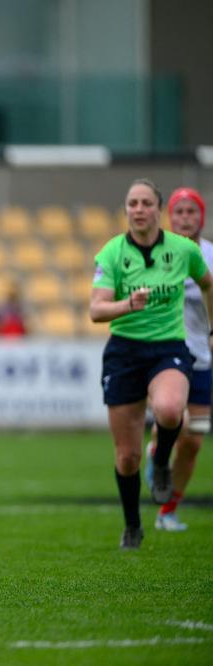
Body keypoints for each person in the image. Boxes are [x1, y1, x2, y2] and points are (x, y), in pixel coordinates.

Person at [90, 178, 213, 550]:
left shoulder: (187, 251)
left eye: (146, 203)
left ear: (158, 210)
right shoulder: (112, 252)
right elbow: (96, 310)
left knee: (176, 416)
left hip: (173, 351)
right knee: (127, 457)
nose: (139, 209)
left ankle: (162, 470)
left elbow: (208, 284)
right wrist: (127, 304)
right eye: (132, 203)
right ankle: (133, 524)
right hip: (125, 352)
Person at [143, 188, 211, 531]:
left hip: (201, 358)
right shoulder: (156, 255)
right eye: (179, 211)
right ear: (170, 217)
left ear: (202, 216)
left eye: (191, 211)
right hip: (163, 355)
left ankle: (167, 511)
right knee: (175, 420)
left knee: (193, 443)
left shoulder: (210, 256)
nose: (186, 218)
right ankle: (157, 454)